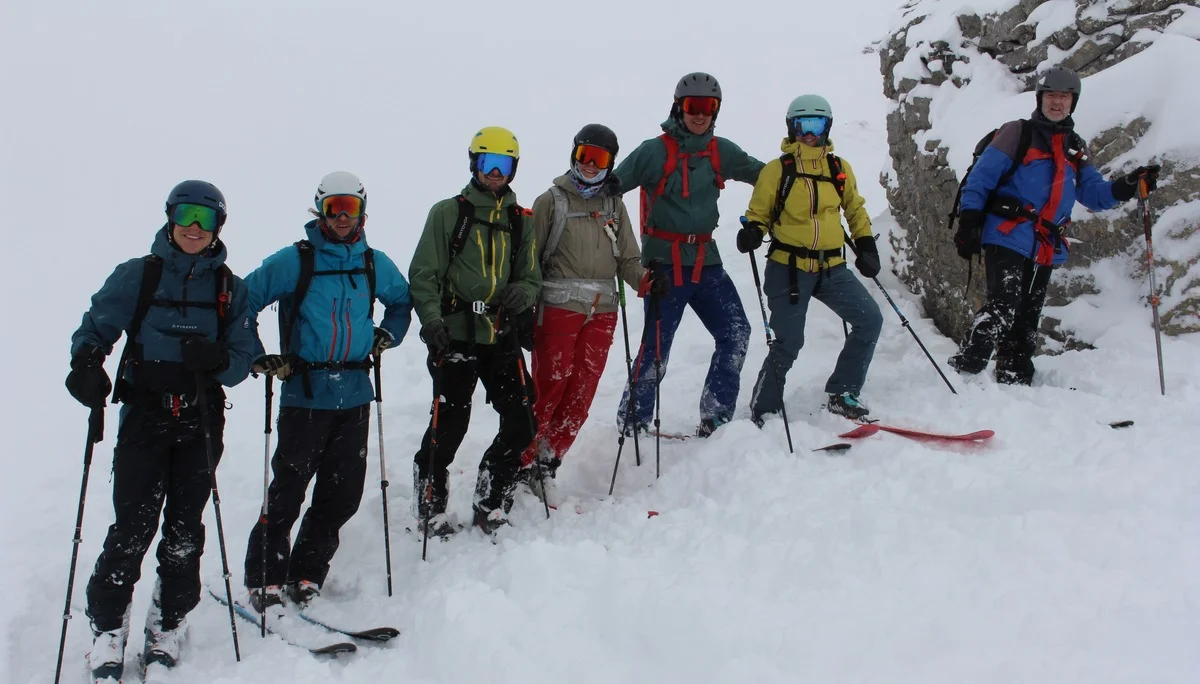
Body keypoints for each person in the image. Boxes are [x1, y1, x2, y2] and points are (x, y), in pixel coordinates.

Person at [66, 180, 260, 679]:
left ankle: (168, 621)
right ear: (171, 217)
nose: (195, 228)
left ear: (219, 226)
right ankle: (108, 629)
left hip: (200, 420)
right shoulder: (140, 276)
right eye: (187, 215)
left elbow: (245, 359)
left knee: (182, 530)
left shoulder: (229, 289)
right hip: (145, 416)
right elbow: (96, 327)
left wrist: (218, 359)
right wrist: (87, 361)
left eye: (207, 218)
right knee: (131, 529)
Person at [242, 171, 412, 611]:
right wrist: (258, 354)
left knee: (341, 494)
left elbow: (401, 301)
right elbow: (243, 300)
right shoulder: (294, 260)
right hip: (305, 394)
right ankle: (265, 577)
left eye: (349, 207)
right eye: (333, 207)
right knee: (289, 489)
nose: (340, 216)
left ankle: (306, 573)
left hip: (355, 393)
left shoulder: (374, 263)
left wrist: (387, 335)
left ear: (362, 212)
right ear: (319, 209)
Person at [948, 66, 1160, 385]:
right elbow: (981, 178)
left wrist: (1128, 185)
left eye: (1063, 97)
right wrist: (969, 222)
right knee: (1004, 305)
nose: (1056, 102)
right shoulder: (1017, 133)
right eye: (1051, 96)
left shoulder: (1075, 147)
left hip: (1045, 243)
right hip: (1007, 233)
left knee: (1027, 316)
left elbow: (1094, 194)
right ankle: (966, 367)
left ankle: (1014, 376)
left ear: (1072, 102)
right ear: (1040, 99)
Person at [613, 72, 764, 438]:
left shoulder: (719, 150)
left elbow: (765, 176)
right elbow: (611, 188)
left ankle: (716, 417)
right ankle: (633, 421)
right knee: (656, 347)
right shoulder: (655, 151)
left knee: (736, 333)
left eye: (707, 107)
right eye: (692, 106)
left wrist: (797, 177)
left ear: (716, 111)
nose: (699, 114)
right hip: (665, 264)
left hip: (706, 261)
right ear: (679, 108)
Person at [408, 126, 542, 536]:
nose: (496, 172)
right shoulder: (449, 213)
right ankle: (430, 502)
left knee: (522, 419)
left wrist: (524, 291)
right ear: (475, 163)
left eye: (504, 164)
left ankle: (490, 493)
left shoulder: (521, 221)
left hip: (499, 333)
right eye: (488, 163)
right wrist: (431, 321)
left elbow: (531, 275)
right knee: (450, 421)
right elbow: (423, 274)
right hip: (455, 331)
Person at [518, 124, 644, 505]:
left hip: (602, 312)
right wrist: (524, 310)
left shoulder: (613, 205)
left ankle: (548, 462)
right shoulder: (551, 201)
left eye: (599, 158)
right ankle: (521, 462)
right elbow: (528, 261)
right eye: (584, 155)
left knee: (582, 392)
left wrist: (647, 281)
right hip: (558, 308)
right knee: (549, 387)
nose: (589, 165)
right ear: (573, 155)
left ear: (611, 162)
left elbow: (629, 258)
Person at [739, 94, 883, 422]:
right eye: (802, 125)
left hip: (832, 266)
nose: (808, 133)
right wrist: (752, 231)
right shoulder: (778, 170)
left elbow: (855, 208)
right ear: (791, 128)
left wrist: (866, 245)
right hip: (788, 267)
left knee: (869, 319)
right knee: (789, 341)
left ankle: (844, 391)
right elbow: (758, 213)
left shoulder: (838, 168)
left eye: (816, 124)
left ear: (826, 126)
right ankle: (764, 409)